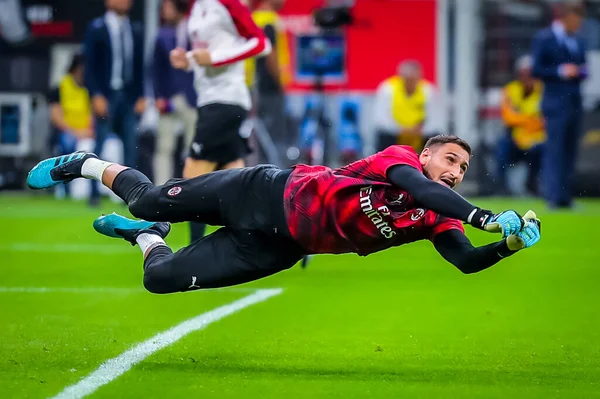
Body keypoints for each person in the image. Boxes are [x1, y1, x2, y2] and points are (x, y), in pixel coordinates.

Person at [27, 135, 542, 294]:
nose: (455, 170)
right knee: (145, 197)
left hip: (280, 246)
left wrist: (508, 245)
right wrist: (484, 216)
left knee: (158, 279)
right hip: (265, 192)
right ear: (428, 155)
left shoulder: (440, 217)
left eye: (464, 167)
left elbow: (466, 261)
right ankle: (86, 163)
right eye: (450, 159)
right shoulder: (402, 160)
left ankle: (146, 238)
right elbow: (417, 189)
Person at [169, 0, 271, 243]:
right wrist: (189, 59)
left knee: (193, 178)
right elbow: (207, 51)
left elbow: (260, 43)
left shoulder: (228, 3)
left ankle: (193, 252)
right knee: (239, 186)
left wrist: (214, 57)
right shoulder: (196, 6)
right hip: (209, 100)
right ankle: (284, 238)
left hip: (226, 100)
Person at [83, 0, 146, 205]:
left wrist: (142, 95)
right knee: (99, 147)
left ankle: (130, 195)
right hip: (106, 95)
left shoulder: (135, 29)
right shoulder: (96, 27)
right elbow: (90, 66)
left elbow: (139, 66)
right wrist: (95, 94)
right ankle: (93, 193)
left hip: (128, 96)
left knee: (130, 147)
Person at [531, 1, 588, 209]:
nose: (579, 23)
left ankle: (566, 197)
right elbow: (536, 69)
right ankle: (553, 196)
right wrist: (561, 71)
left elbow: (583, 68)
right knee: (555, 150)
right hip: (555, 104)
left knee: (570, 150)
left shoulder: (578, 40)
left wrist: (580, 71)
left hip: (575, 102)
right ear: (566, 17)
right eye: (577, 19)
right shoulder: (544, 38)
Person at [152, 0, 197, 185]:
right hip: (169, 97)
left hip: (192, 97)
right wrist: (158, 96)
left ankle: (194, 189)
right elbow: (155, 69)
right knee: (164, 147)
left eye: (168, 7)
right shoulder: (162, 35)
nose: (164, 11)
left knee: (193, 149)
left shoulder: (196, 30)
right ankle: (159, 189)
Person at [497, 55, 545, 196]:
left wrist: (522, 120)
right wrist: (530, 120)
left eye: (529, 72)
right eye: (523, 72)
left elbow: (545, 120)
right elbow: (508, 118)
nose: (526, 76)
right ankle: (502, 188)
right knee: (501, 149)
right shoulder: (510, 90)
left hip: (537, 138)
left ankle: (533, 184)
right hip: (515, 137)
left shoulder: (542, 89)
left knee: (543, 151)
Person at [47, 54, 94, 198]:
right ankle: (64, 188)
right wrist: (74, 132)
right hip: (67, 131)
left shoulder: (90, 89)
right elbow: (56, 117)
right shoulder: (60, 87)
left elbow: (94, 116)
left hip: (86, 132)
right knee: (68, 143)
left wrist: (88, 131)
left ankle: (94, 190)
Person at [373, 60, 443, 153]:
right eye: (407, 79)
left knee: (434, 140)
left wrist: (418, 130)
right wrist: (402, 129)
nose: (410, 83)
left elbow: (435, 121)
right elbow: (381, 120)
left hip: (420, 132)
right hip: (395, 133)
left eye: (413, 79)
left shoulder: (428, 90)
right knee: (384, 135)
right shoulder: (388, 88)